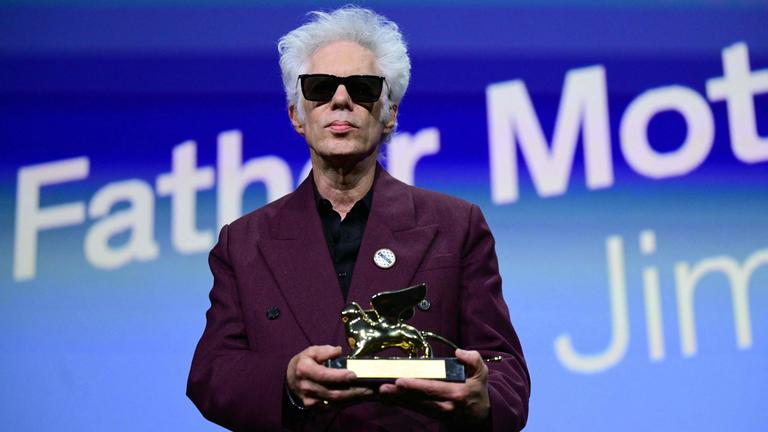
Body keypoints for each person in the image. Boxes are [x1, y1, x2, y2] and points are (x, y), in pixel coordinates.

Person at [187, 6, 530, 431]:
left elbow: (505, 369)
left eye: (363, 87)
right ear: (297, 115)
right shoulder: (243, 243)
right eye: (320, 87)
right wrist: (286, 384)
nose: (341, 99)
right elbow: (212, 372)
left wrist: (484, 397)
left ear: (390, 114)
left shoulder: (457, 227)